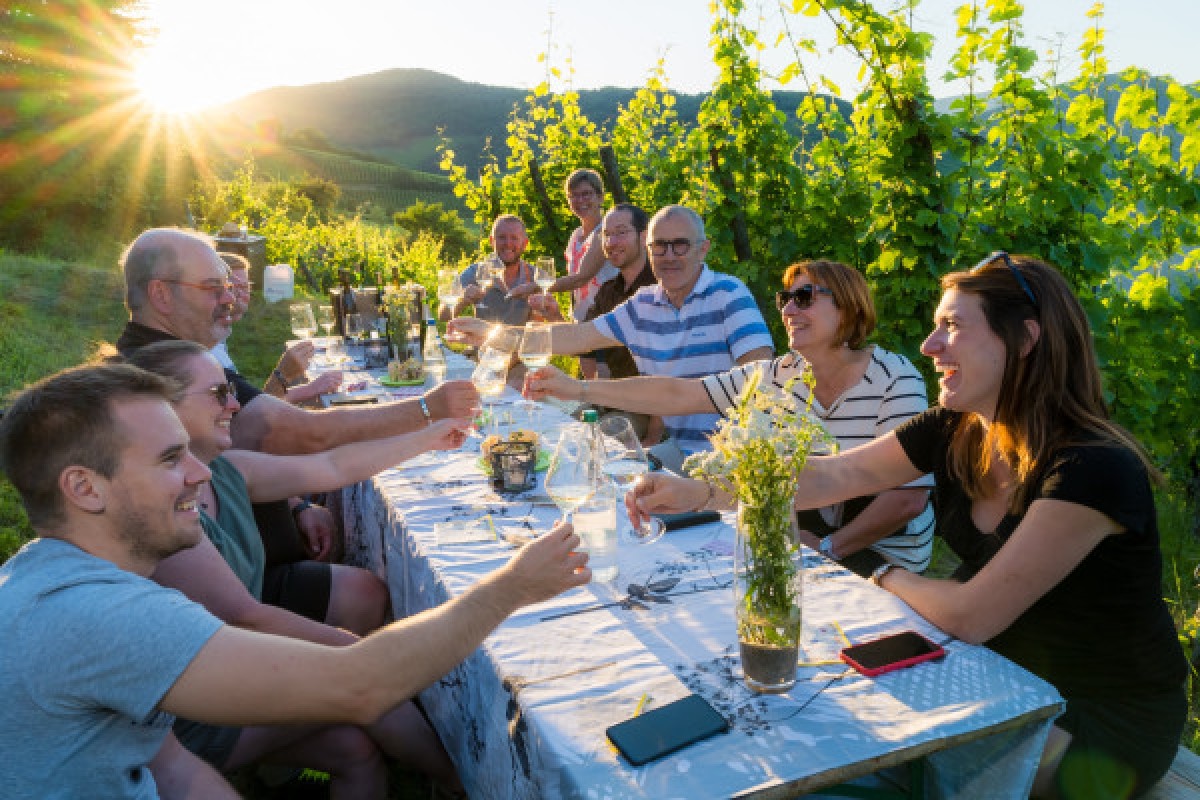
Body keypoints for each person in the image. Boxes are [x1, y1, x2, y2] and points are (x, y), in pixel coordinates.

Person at [629, 253, 1188, 798]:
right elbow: (831, 476)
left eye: (952, 327)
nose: (929, 346)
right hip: (995, 671)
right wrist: (699, 492)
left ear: (1025, 339)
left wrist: (873, 567)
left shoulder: (1093, 466)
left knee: (860, 762)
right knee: (801, 734)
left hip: (1096, 717)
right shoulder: (958, 428)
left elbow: (971, 613)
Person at [0, 362, 589, 799]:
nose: (200, 472)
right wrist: (512, 585)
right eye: (169, 458)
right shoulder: (100, 617)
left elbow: (172, 768)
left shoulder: (55, 577)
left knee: (351, 745)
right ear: (84, 488)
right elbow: (359, 686)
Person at [127, 340, 464, 790]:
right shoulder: (165, 511)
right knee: (365, 675)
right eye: (216, 394)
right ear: (163, 410)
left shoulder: (225, 470)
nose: (233, 404)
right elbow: (247, 616)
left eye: (230, 389)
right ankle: (463, 782)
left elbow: (332, 465)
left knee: (353, 749)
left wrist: (429, 436)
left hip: (232, 667)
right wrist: (354, 651)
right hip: (186, 713)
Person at [527, 259, 935, 575]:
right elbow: (679, 392)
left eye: (805, 297)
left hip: (879, 559)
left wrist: (829, 549)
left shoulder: (894, 378)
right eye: (785, 299)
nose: (789, 309)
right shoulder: (777, 375)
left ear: (848, 308)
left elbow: (907, 498)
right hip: (803, 544)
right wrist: (578, 390)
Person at [452, 205, 775, 465]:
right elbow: (574, 337)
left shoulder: (729, 294)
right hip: (681, 450)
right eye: (659, 246)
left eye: (680, 244)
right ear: (648, 249)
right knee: (585, 470)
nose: (669, 255)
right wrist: (491, 333)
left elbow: (759, 381)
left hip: (736, 454)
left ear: (702, 249)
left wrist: (579, 389)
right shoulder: (644, 303)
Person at [115, 227, 478, 456]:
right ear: (161, 295)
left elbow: (246, 447)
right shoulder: (168, 370)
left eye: (229, 288)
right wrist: (426, 410)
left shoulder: (172, 354)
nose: (230, 300)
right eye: (214, 288)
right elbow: (299, 434)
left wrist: (298, 506)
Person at [514, 168, 619, 380]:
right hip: (582, 320)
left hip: (605, 320)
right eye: (574, 195)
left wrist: (534, 286)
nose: (580, 200)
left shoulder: (604, 234)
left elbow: (581, 277)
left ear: (600, 197)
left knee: (605, 384)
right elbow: (574, 283)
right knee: (590, 386)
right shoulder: (576, 236)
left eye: (586, 194)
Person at [441, 214, 536, 326]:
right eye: (501, 237)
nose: (508, 243)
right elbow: (443, 316)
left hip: (520, 343)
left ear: (524, 244)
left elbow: (542, 325)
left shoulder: (535, 276)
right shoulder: (475, 272)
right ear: (492, 241)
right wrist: (462, 300)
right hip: (481, 343)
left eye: (514, 238)